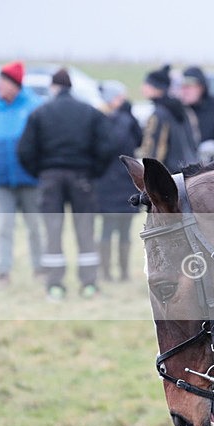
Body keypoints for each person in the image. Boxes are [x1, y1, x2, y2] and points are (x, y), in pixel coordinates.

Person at [17, 68, 115, 301]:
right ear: (71, 87)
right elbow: (108, 146)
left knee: (52, 232)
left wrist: (40, 172)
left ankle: (55, 286)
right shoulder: (90, 112)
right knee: (85, 232)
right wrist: (94, 172)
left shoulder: (39, 113)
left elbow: (24, 151)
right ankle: (89, 285)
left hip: (50, 178)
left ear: (53, 87)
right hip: (82, 177)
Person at [0, 60, 44, 288]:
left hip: (29, 179)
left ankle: (40, 270)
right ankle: (3, 273)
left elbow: (43, 138)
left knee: (34, 226)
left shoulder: (34, 105)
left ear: (15, 84)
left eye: (3, 82)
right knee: (4, 227)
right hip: (3, 180)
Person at [95, 80, 142, 282]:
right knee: (111, 228)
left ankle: (120, 272)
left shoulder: (123, 118)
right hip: (114, 181)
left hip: (119, 182)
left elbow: (139, 140)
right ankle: (108, 272)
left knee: (122, 229)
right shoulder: (114, 119)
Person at [137, 65, 198, 173]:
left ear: (157, 88)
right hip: (188, 169)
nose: (143, 88)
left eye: (147, 84)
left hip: (170, 173)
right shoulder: (182, 109)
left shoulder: (158, 114)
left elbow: (152, 148)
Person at [178, 66, 214, 162]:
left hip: (212, 164)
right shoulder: (178, 109)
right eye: (183, 87)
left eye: (189, 87)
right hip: (182, 163)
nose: (185, 91)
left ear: (201, 87)